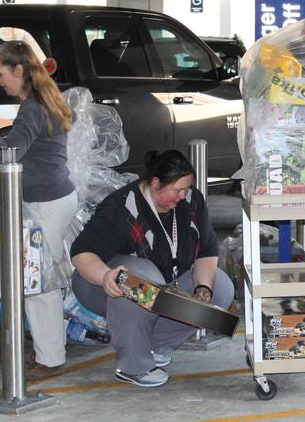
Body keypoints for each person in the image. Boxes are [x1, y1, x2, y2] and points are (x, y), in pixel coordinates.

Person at [70, 149, 234, 388]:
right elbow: (82, 253)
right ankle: (133, 366)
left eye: (186, 189)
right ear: (155, 183)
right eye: (177, 190)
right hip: (101, 282)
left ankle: (156, 346)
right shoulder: (120, 206)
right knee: (138, 280)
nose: (183, 195)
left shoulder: (192, 201)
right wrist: (106, 276)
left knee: (221, 288)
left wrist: (203, 287)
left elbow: (207, 250)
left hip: (165, 285)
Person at [0, 40, 77, 380]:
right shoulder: (40, 100)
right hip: (49, 199)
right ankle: (48, 350)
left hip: (45, 204)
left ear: (19, 70)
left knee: (38, 284)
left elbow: (7, 156)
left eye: (0, 74)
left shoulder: (32, 107)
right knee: (37, 282)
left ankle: (51, 359)